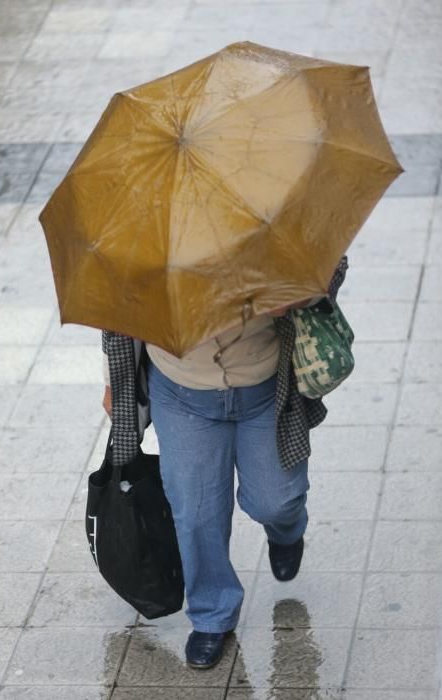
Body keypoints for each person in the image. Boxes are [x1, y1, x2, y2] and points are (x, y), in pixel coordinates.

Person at [101, 256, 348, 670]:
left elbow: (332, 261)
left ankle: (287, 531)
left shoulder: (264, 212)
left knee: (277, 500)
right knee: (196, 515)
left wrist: (299, 293)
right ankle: (212, 614)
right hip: (182, 395)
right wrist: (112, 378)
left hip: (266, 388)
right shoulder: (150, 232)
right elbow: (112, 310)